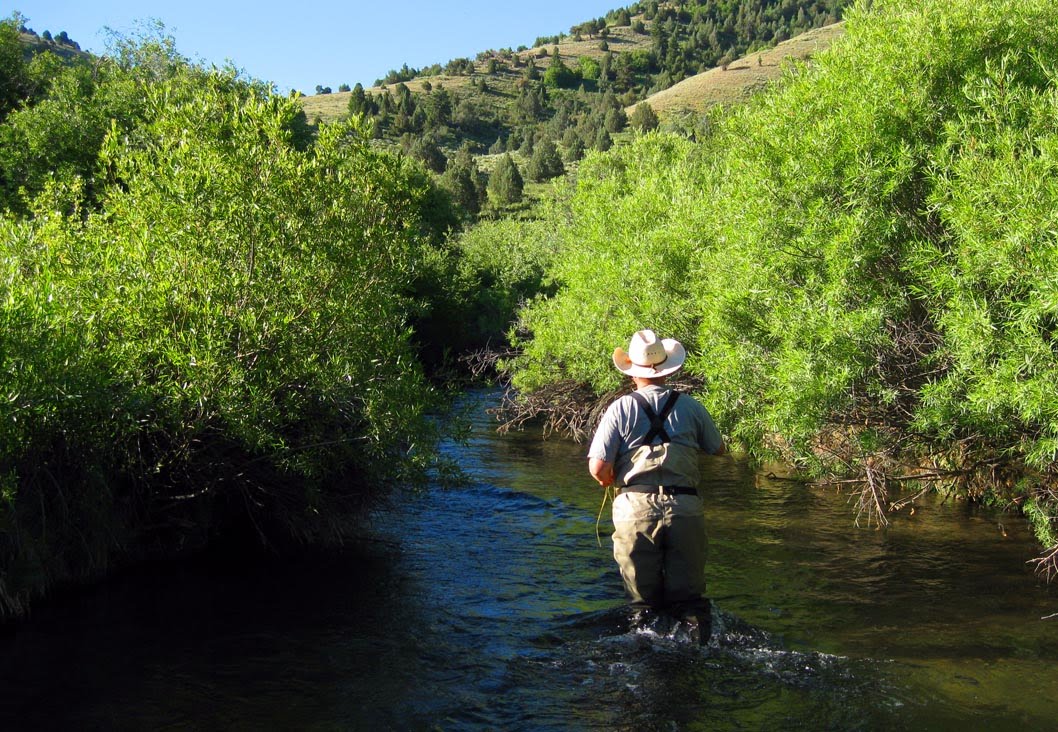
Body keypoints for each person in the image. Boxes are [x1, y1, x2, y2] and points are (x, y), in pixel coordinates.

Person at [587, 329, 725, 640]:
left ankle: (644, 655)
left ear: (631, 372)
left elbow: (598, 468)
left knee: (642, 605)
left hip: (635, 510)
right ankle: (699, 652)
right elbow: (718, 449)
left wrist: (609, 478)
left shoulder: (620, 408)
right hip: (685, 507)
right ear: (667, 370)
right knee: (690, 601)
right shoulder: (691, 407)